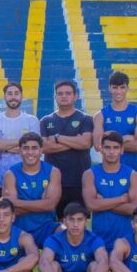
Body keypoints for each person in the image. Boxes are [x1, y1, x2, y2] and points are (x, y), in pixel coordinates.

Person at [40, 80, 93, 220]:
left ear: (76, 96)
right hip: (52, 181)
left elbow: (86, 143)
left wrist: (57, 138)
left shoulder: (86, 119)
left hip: (79, 180)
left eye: (68, 93)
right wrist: (75, 141)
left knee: (77, 223)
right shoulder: (45, 120)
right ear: (55, 97)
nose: (64, 96)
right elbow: (44, 147)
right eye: (60, 93)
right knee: (54, 222)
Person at [82, 131, 137, 252]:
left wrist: (102, 202)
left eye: (115, 148)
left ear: (122, 150)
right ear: (101, 149)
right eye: (107, 147)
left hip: (126, 241)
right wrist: (122, 199)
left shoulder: (132, 175)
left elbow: (134, 209)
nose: (111, 152)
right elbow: (91, 205)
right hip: (99, 241)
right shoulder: (90, 174)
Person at [3, 132, 61, 248]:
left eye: (34, 148)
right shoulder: (11, 174)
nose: (30, 152)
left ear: (41, 150)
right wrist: (41, 203)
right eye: (26, 148)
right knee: (28, 255)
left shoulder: (53, 172)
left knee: (65, 231)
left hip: (46, 226)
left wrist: (17, 202)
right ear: (20, 150)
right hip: (19, 227)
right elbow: (11, 209)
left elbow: (50, 205)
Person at [0, 82, 40, 205]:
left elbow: (33, 148)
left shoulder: (32, 120)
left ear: (21, 96)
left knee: (25, 213)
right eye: (9, 93)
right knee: (0, 213)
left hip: (26, 178)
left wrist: (4, 146)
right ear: (4, 96)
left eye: (16, 93)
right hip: (0, 179)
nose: (13, 97)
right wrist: (23, 140)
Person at [92, 71, 137, 172]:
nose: (118, 91)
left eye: (122, 87)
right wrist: (125, 138)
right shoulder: (100, 115)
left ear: (127, 88)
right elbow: (98, 145)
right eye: (115, 87)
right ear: (109, 88)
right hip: (107, 173)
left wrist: (109, 145)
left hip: (131, 172)